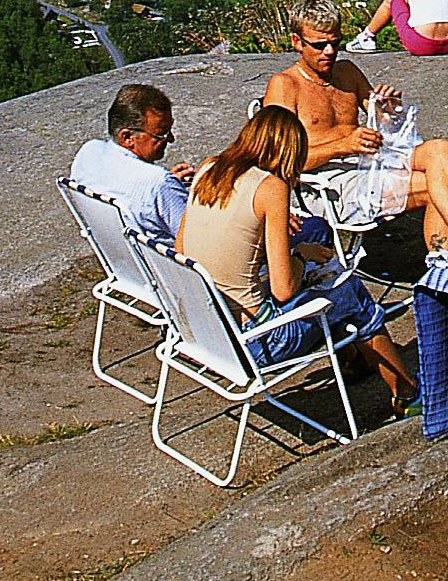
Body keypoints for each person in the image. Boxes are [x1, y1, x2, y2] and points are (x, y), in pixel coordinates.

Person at [178, 105, 415, 409]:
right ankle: (407, 393)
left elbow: (180, 250)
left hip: (206, 331)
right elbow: (283, 289)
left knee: (324, 287)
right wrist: (301, 255)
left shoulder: (210, 169)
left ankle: (356, 361)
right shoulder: (270, 188)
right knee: (347, 291)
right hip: (258, 343)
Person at [264, 0, 448, 254]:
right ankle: (447, 262)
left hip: (367, 165)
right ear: (297, 42)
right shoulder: (285, 86)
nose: (329, 52)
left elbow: (385, 123)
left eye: (335, 43)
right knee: (438, 188)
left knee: (439, 149)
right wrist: (343, 146)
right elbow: (277, 161)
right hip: (329, 185)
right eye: (320, 45)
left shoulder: (346, 71)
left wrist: (389, 110)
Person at [69, 82, 193, 247]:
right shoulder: (158, 184)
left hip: (122, 259)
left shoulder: (89, 152)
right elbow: (197, 241)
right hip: (170, 268)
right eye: (161, 133)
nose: (170, 139)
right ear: (127, 137)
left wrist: (170, 188)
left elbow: (126, 189)